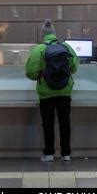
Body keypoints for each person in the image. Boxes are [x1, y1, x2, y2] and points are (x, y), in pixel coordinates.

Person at [25, 19, 79, 162]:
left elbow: (30, 72)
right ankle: (66, 154)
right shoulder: (66, 47)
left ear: (42, 34)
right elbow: (74, 67)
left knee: (48, 123)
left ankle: (49, 154)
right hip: (64, 91)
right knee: (65, 122)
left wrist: (41, 76)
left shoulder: (38, 49)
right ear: (55, 33)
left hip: (46, 93)